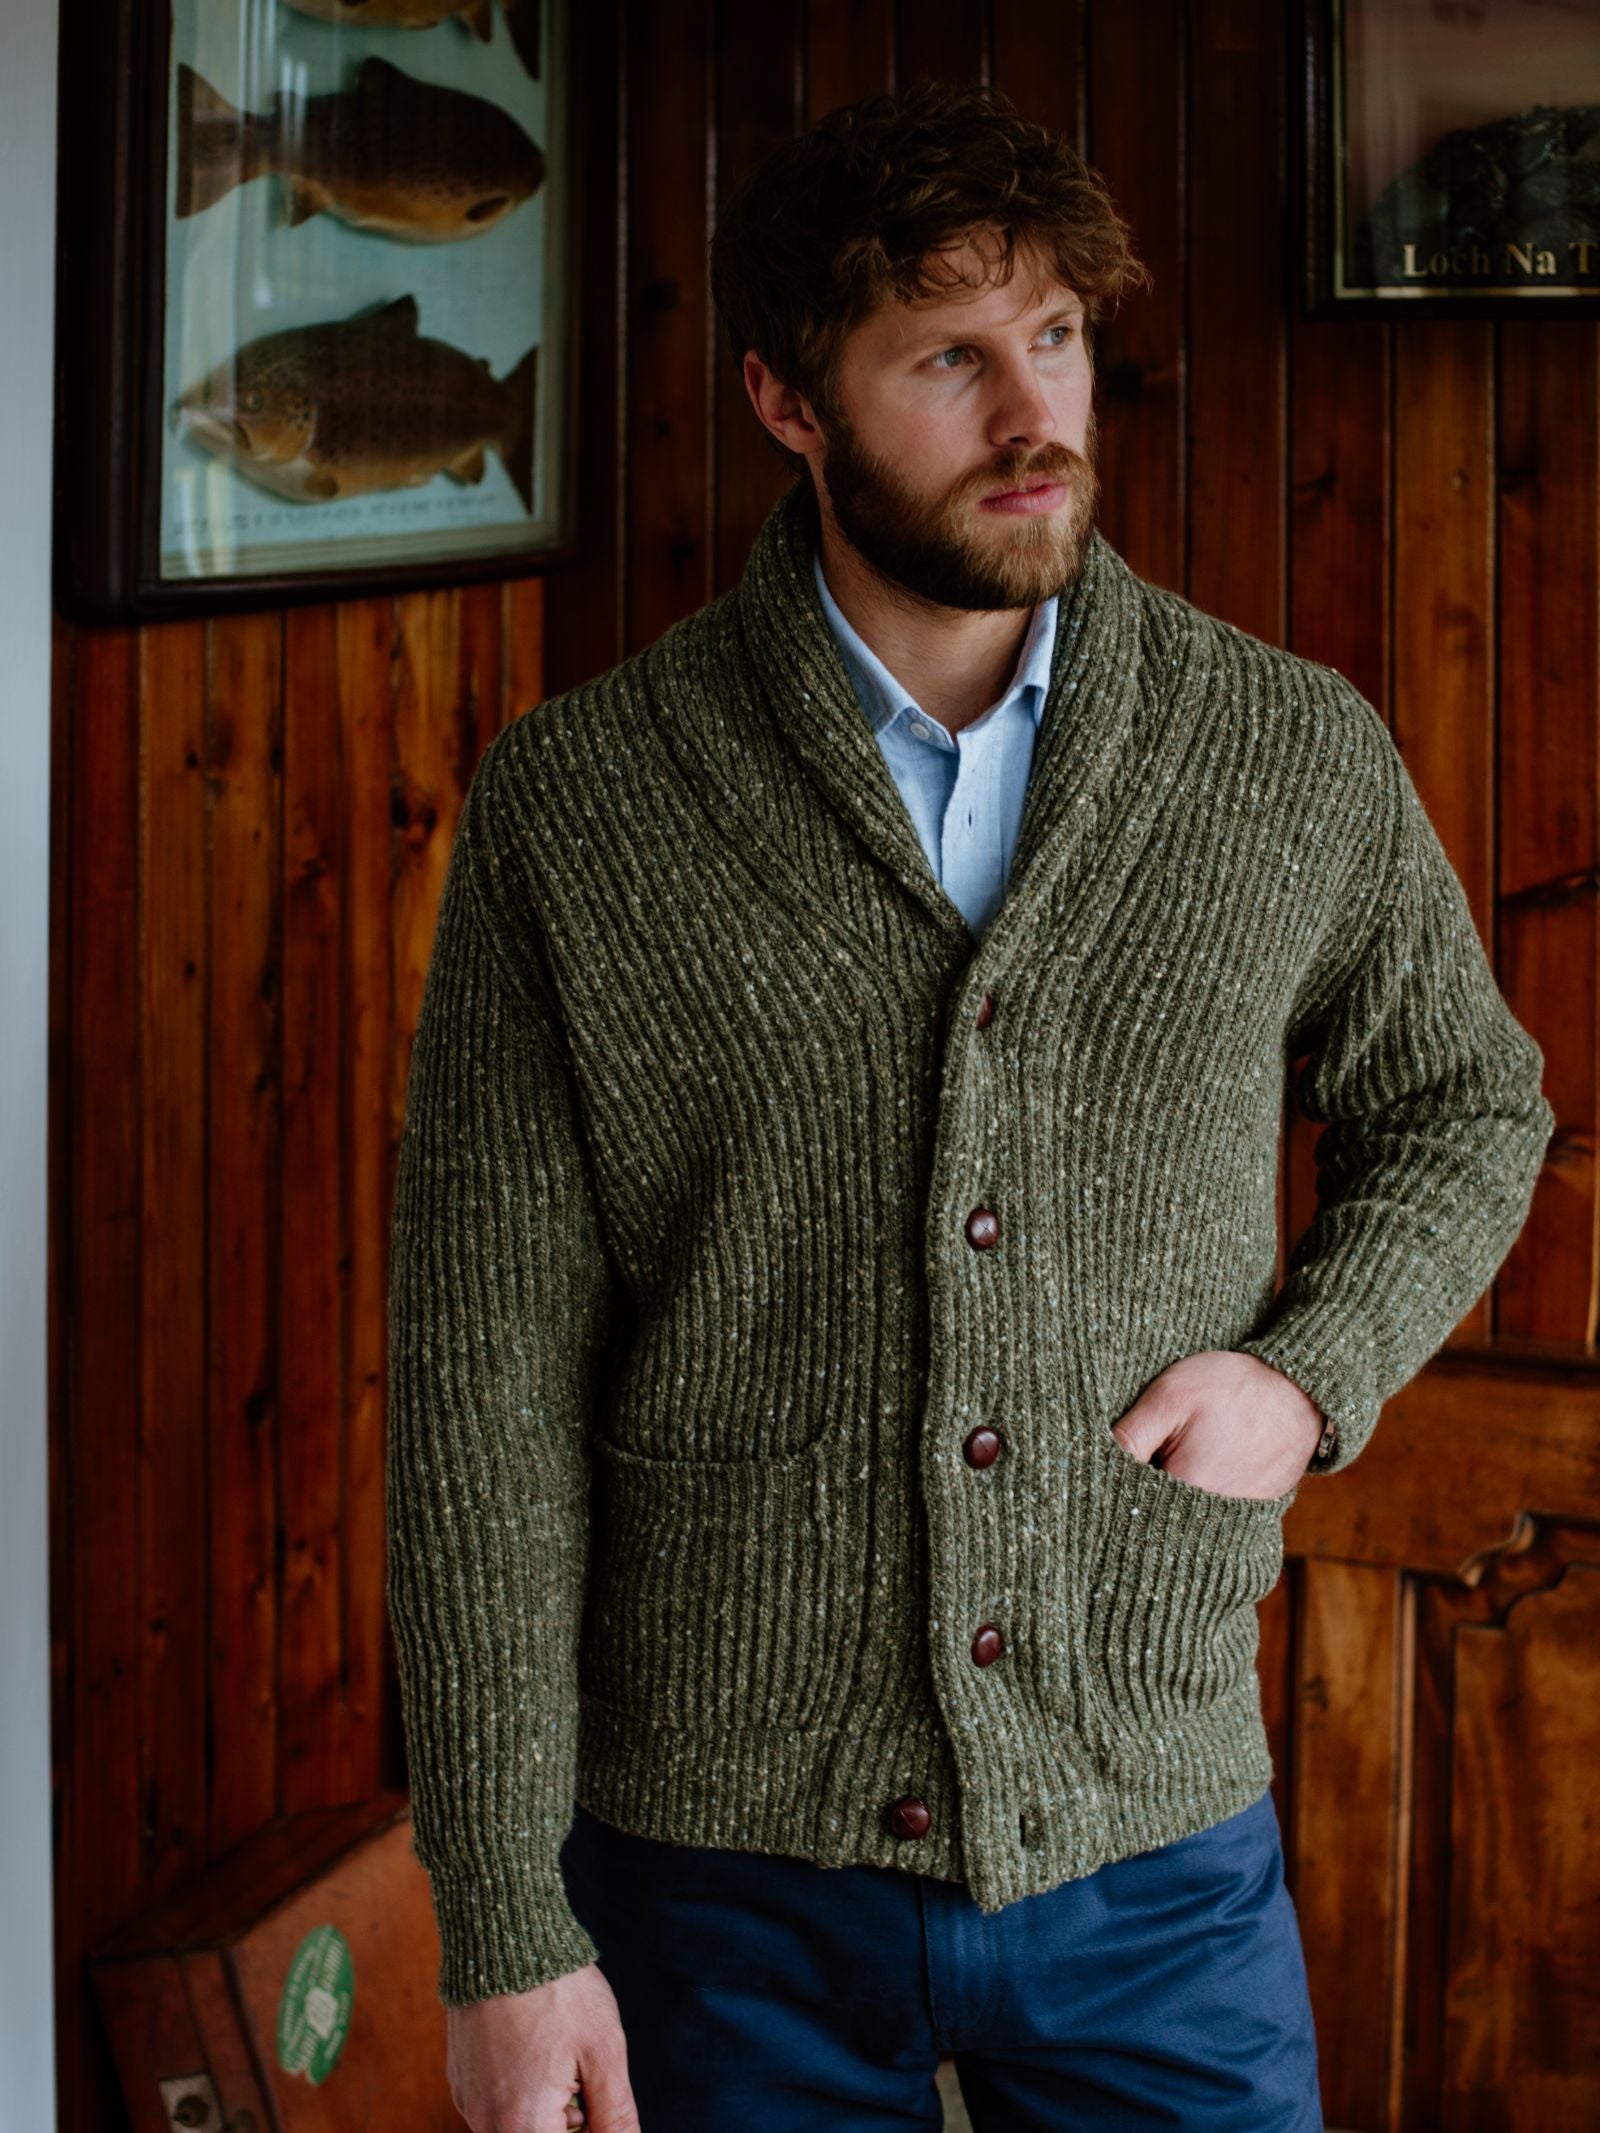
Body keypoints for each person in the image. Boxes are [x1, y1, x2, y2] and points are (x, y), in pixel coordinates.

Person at [385, 81, 1554, 2133]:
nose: (1034, 416)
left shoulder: (1279, 751)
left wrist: (1311, 1371)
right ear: (785, 399)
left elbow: (1465, 1098)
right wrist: (500, 1925)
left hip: (1150, 1830)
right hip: (714, 1878)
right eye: (946, 357)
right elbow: (482, 1389)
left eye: (1059, 338)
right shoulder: (583, 809)